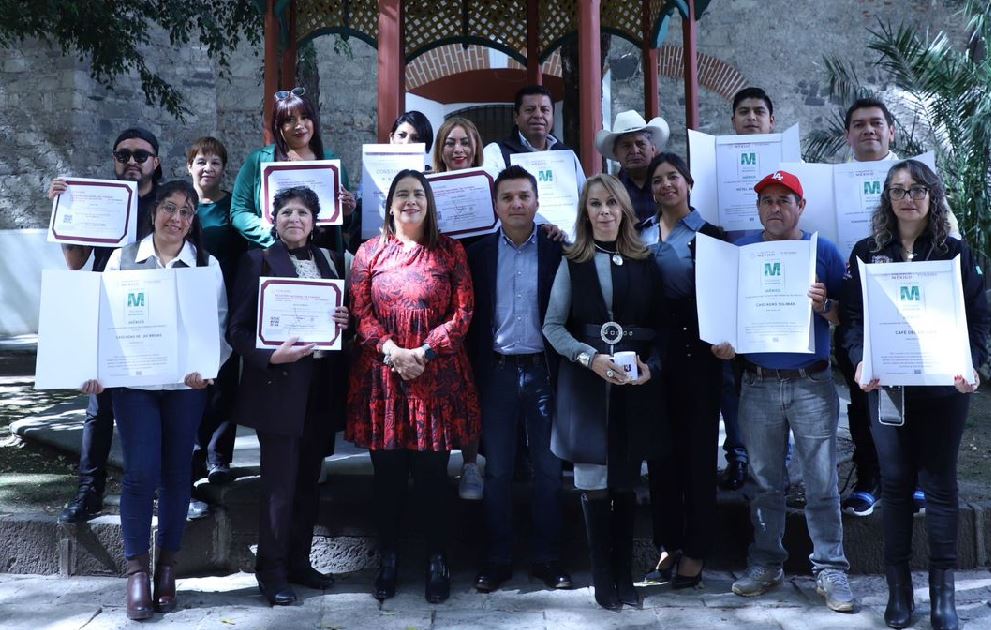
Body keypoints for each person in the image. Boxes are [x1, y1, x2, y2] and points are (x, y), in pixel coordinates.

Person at [843, 160, 989, 630]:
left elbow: (981, 319)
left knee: (942, 486)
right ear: (887, 198)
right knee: (897, 485)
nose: (908, 197)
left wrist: (973, 365)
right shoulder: (866, 252)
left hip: (945, 388)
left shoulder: (958, 254)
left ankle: (943, 593)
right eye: (898, 190)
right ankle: (898, 591)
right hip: (888, 388)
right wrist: (860, 360)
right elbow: (852, 320)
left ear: (933, 195)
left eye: (918, 189)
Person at [81, 179, 229, 620]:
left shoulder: (206, 263)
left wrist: (209, 367)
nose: (177, 218)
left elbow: (218, 329)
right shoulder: (122, 259)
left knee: (177, 473)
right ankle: (136, 573)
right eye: (169, 208)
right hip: (134, 386)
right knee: (140, 473)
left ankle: (168, 568)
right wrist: (96, 369)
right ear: (153, 212)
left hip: (186, 387)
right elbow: (102, 320)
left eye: (186, 212)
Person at [717, 170, 855, 613]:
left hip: (811, 383)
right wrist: (723, 343)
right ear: (757, 208)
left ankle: (830, 567)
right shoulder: (740, 252)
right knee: (763, 482)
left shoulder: (824, 251)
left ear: (801, 206)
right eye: (767, 200)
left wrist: (826, 306)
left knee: (821, 482)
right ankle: (766, 562)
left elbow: (846, 316)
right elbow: (724, 317)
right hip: (756, 383)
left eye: (784, 200)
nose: (775, 208)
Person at [347, 169, 480, 604]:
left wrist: (423, 352)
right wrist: (391, 351)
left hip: (434, 379)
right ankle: (388, 558)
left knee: (431, 476)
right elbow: (358, 310)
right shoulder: (370, 252)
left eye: (417, 194)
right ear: (388, 205)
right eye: (401, 194)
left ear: (429, 203)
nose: (409, 201)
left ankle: (436, 560)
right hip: (382, 381)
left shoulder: (451, 251)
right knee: (387, 477)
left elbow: (463, 313)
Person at [542, 174, 666, 610]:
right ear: (585, 213)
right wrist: (587, 358)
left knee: (626, 484)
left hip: (633, 387)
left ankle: (625, 577)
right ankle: (602, 579)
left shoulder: (646, 261)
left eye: (612, 204)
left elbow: (664, 328)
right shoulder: (572, 262)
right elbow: (552, 326)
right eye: (595, 205)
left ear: (625, 211)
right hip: (587, 386)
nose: (605, 212)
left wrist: (654, 365)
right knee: (593, 481)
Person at [227, 185, 350, 606]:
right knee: (278, 486)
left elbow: (336, 322)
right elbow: (237, 330)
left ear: (315, 221)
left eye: (302, 212)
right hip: (277, 388)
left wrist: (341, 319)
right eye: (285, 213)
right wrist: (269, 356)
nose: (294, 219)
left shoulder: (329, 260)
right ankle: (271, 571)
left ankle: (299, 561)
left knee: (308, 484)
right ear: (273, 220)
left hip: (320, 387)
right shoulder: (255, 260)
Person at [49, 127, 163, 524]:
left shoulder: (168, 205)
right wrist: (65, 212)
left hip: (155, 316)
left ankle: (162, 491)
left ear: (156, 162)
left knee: (158, 408)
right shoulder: (100, 200)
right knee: (100, 407)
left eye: (141, 156)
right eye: (123, 155)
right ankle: (89, 490)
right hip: (108, 312)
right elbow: (75, 263)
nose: (131, 162)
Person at [466, 165, 571, 593]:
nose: (516, 204)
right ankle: (497, 559)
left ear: (537, 201)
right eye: (507, 197)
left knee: (548, 469)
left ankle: (547, 558)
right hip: (498, 372)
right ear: (495, 204)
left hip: (544, 372)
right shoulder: (477, 253)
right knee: (498, 472)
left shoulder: (556, 250)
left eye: (523, 196)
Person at [639, 153, 724, 589]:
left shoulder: (711, 236)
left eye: (673, 176)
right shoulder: (640, 232)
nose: (665, 184)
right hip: (653, 353)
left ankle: (697, 549)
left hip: (697, 355)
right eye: (657, 179)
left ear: (688, 183)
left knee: (696, 456)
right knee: (661, 456)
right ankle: (668, 543)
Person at [184, 136, 248, 520]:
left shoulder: (230, 208)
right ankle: (191, 450)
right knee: (192, 380)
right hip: (189, 303)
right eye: (201, 161)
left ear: (225, 169)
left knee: (225, 381)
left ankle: (218, 456)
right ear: (189, 166)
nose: (208, 168)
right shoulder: (179, 205)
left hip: (227, 303)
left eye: (216, 162)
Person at [718, 87, 778, 492]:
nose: (751, 117)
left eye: (759, 111)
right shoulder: (713, 165)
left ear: (772, 121)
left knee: (773, 372)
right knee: (729, 373)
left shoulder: (787, 162)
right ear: (733, 120)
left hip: (775, 280)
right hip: (729, 274)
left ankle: (776, 457)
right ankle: (738, 455)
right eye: (744, 112)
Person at [230, 87, 356, 255]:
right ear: (278, 127)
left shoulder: (331, 163)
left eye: (305, 117)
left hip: (323, 256)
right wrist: (273, 236)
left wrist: (348, 211)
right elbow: (239, 212)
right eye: (289, 120)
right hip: (273, 256)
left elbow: (344, 224)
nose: (299, 125)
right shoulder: (258, 161)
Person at [482, 84, 586, 190]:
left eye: (544, 110)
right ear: (516, 117)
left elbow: (583, 197)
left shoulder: (568, 156)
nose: (538, 115)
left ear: (553, 117)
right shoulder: (495, 153)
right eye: (530, 110)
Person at [594, 110, 669, 222]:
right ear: (616, 154)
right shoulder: (608, 190)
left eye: (640, 144)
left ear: (653, 149)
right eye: (626, 146)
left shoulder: (669, 185)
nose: (634, 151)